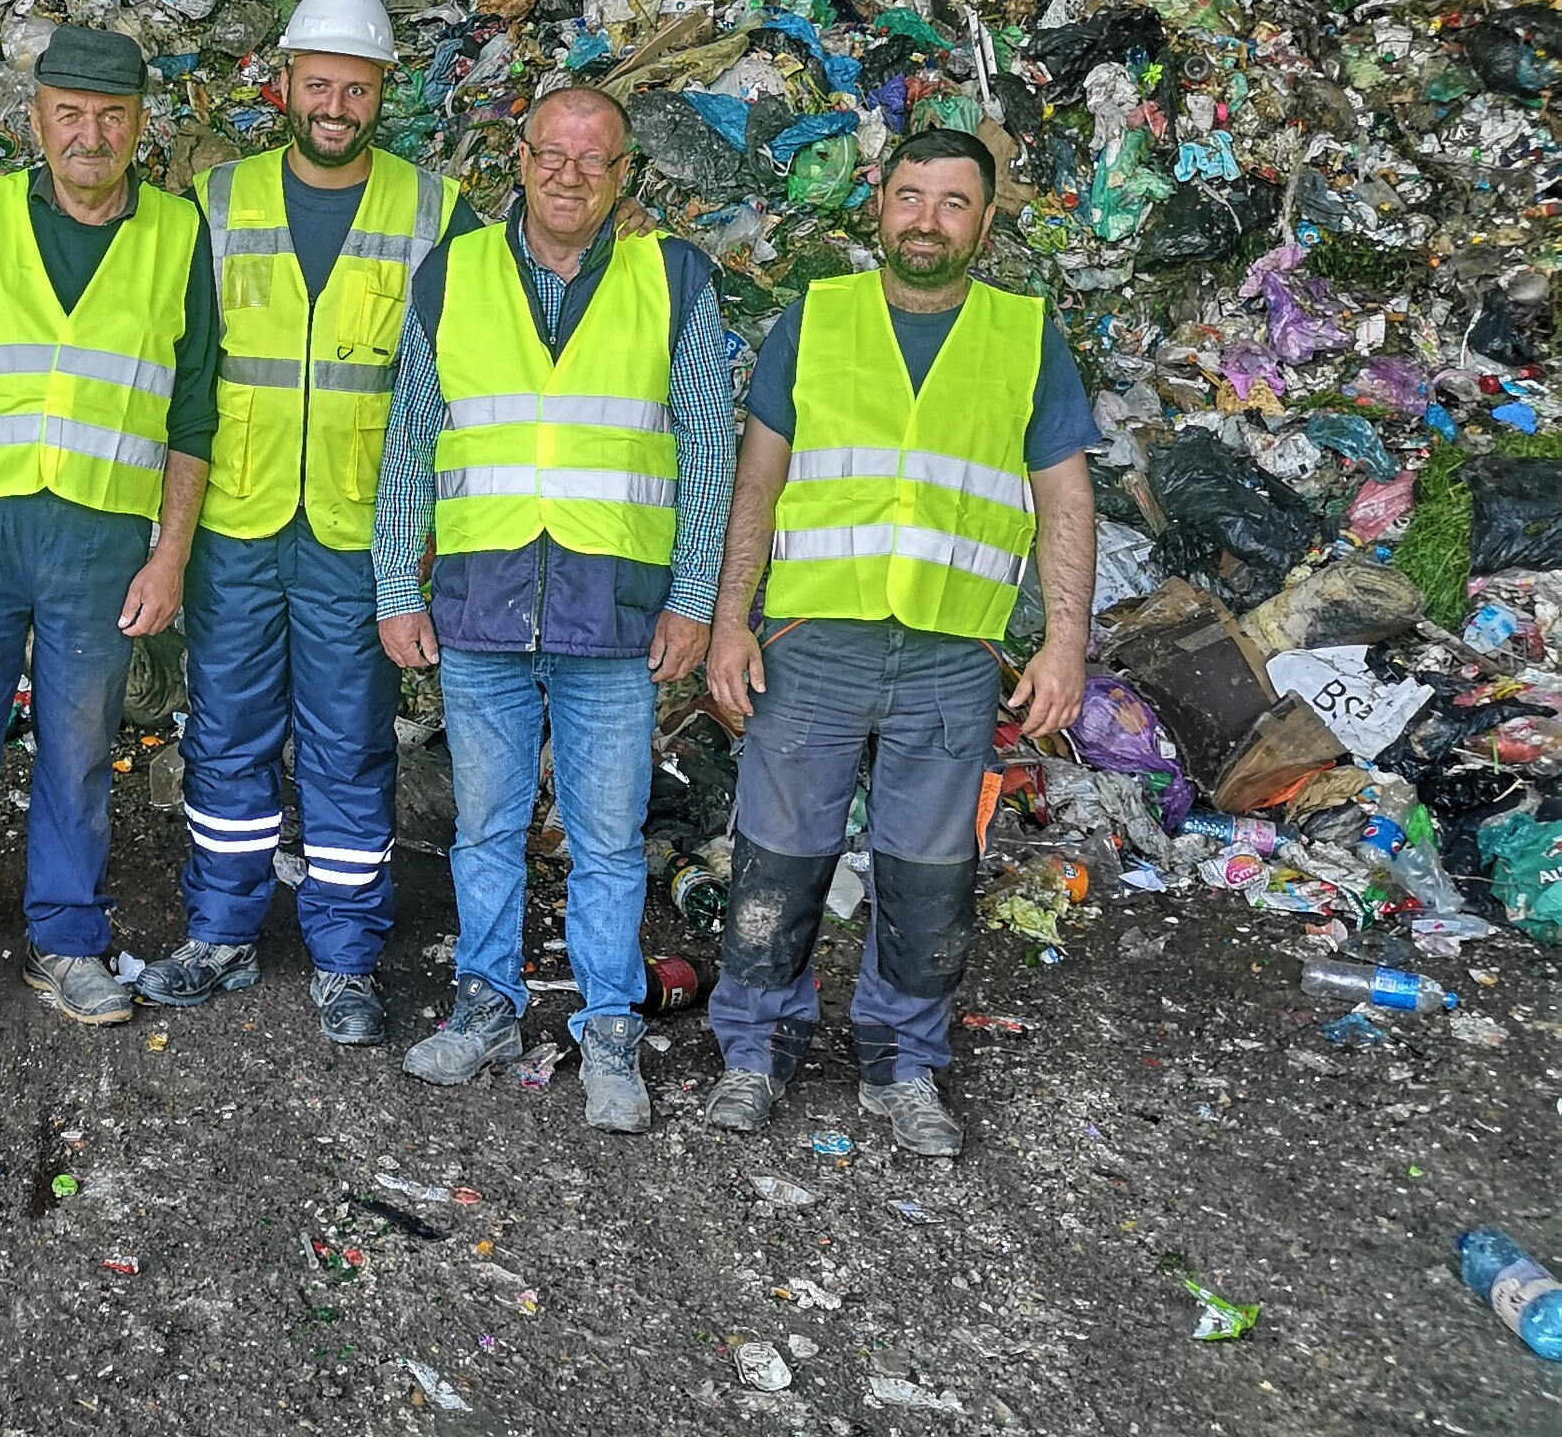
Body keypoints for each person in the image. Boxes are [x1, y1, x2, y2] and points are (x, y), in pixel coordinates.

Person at [700, 127, 1099, 1157]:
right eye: (909, 198)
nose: (925, 221)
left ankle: (901, 1064)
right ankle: (754, 1050)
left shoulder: (1022, 335)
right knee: (775, 863)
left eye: (951, 202)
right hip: (811, 638)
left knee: (930, 876)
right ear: (876, 205)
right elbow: (757, 482)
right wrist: (730, 620)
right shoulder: (816, 319)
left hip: (949, 654)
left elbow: (1063, 497)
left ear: (985, 216)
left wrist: (1062, 647)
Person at [374, 86, 734, 1133]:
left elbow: (708, 450)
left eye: (595, 160)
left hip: (613, 617)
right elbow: (407, 444)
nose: (569, 176)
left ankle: (610, 1032)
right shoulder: (454, 275)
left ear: (624, 176)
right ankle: (485, 1006)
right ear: (518, 160)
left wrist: (693, 601)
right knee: (483, 829)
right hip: (481, 607)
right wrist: (398, 582)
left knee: (608, 840)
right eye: (552, 155)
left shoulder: (671, 278)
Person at [134, 0, 474, 1047]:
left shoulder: (436, 211)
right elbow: (185, 373)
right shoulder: (218, 201)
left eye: (355, 88)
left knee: (348, 746)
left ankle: (342, 957)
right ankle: (222, 932)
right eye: (317, 84)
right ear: (282, 82)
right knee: (225, 738)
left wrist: (424, 538)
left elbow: (454, 392)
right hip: (236, 521)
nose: (335, 105)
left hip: (357, 533)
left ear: (383, 92)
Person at [0, 26, 220, 1035]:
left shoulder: (175, 234)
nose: (89, 134)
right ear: (36, 120)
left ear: (140, 125)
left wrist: (169, 554)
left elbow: (192, 410)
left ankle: (68, 941)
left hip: (102, 541)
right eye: (68, 113)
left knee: (77, 749)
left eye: (111, 115)